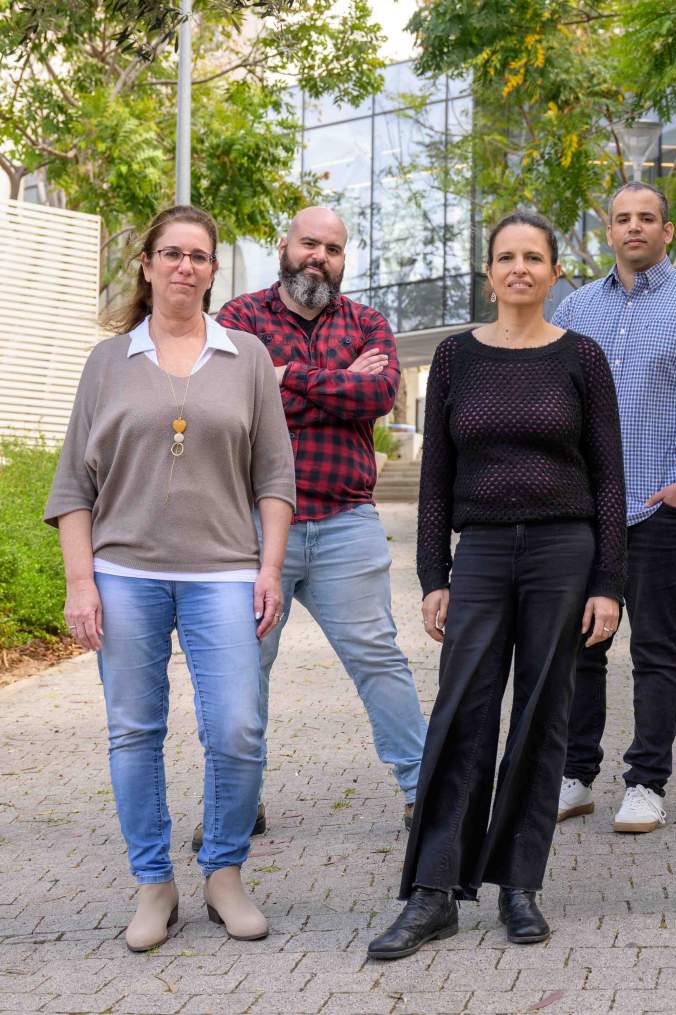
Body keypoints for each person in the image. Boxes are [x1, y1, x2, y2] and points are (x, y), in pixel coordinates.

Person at [366, 211, 625, 961]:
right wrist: (432, 577)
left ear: (552, 272)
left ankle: (519, 884)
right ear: (489, 271)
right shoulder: (455, 358)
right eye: (506, 257)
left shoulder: (582, 357)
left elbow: (610, 475)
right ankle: (434, 892)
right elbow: (437, 482)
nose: (519, 268)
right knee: (462, 713)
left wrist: (609, 580)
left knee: (543, 716)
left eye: (533, 257)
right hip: (479, 551)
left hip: (562, 550)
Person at [44, 205, 296, 951]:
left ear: (214, 272)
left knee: (238, 728)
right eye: (172, 253)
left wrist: (270, 568)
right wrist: (79, 582)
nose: (185, 265)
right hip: (124, 572)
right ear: (147, 265)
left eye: (200, 255)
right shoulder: (106, 362)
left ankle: (224, 871)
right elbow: (71, 486)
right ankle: (155, 882)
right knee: (134, 731)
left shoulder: (246, 356)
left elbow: (275, 475)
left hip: (224, 570)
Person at [208, 207, 428, 850]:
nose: (319, 256)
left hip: (344, 522)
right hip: (249, 525)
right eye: (309, 243)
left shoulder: (367, 322)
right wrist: (331, 386)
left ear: (342, 258)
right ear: (285, 245)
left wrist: (284, 378)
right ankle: (236, 806)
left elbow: (378, 396)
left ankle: (425, 794)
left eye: (332, 248)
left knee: (379, 659)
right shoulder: (240, 320)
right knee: (243, 667)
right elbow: (233, 401)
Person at [551, 182, 676, 835]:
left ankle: (646, 782)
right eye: (622, 218)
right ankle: (576, 775)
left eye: (647, 217)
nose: (634, 227)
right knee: (580, 647)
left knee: (656, 649)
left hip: (663, 508)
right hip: (586, 511)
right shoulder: (575, 309)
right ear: (608, 230)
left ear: (667, 229)